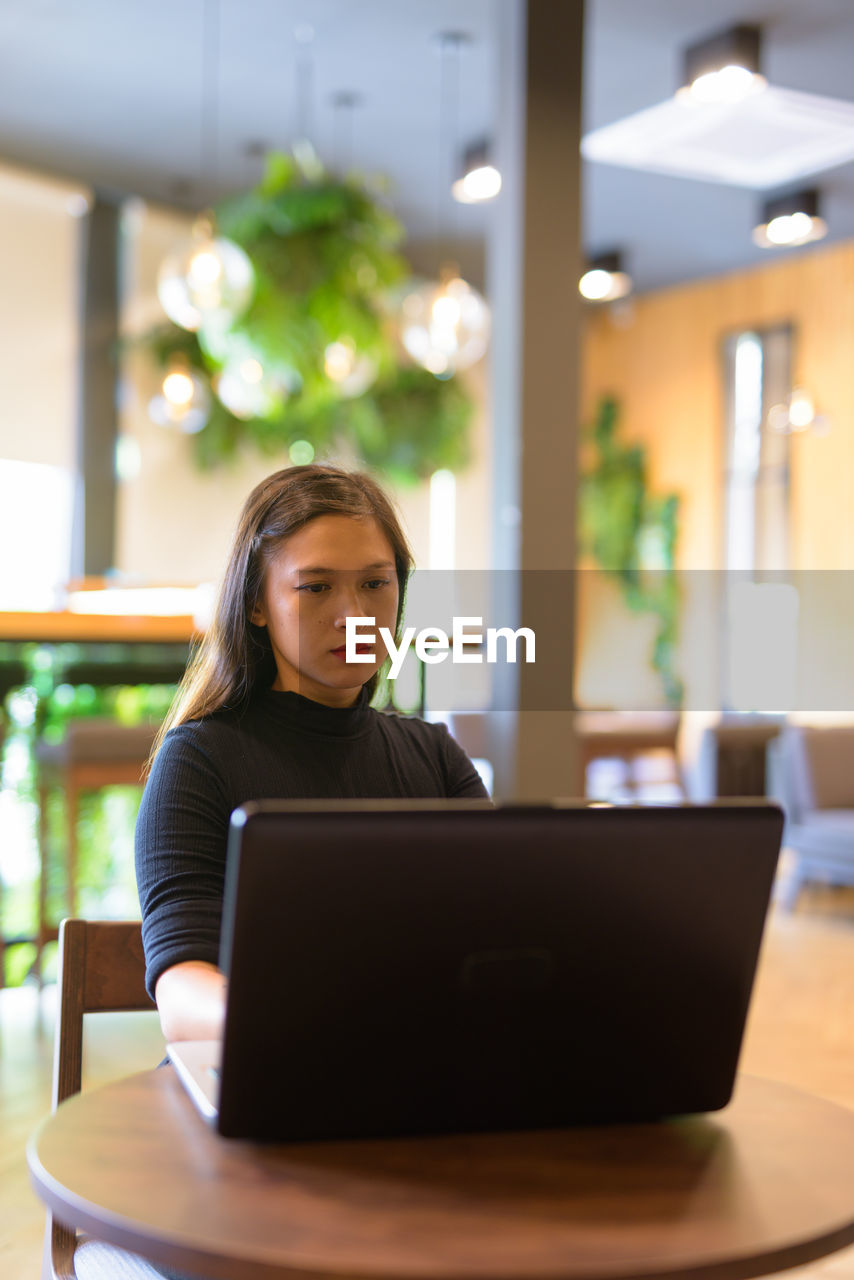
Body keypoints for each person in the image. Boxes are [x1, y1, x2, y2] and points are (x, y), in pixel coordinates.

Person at [135, 463, 489, 1044]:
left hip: (413, 1081)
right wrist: (316, 1025)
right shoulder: (199, 760)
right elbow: (184, 991)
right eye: (316, 587)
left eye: (375, 583)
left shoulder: (436, 758)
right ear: (256, 604)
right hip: (259, 1082)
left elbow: (495, 936)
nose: (353, 616)